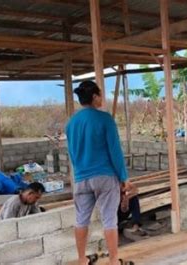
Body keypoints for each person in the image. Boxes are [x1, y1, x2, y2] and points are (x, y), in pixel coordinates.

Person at [66, 81, 131, 265]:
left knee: (81, 220)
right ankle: (113, 260)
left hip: (81, 178)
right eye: (100, 95)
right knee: (109, 220)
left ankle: (81, 259)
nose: (102, 98)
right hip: (104, 176)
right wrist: (123, 177)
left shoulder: (71, 124)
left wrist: (80, 172)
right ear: (94, 97)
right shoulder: (105, 119)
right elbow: (115, 151)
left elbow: (72, 154)